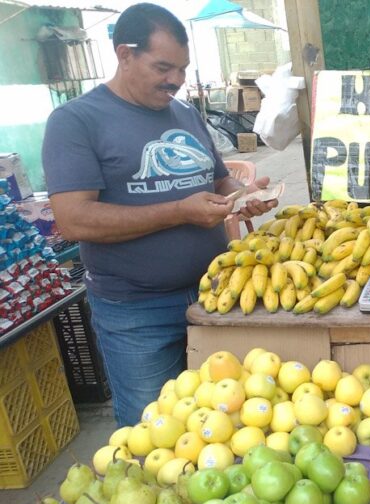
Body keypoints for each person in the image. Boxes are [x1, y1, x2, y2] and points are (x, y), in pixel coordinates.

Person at [42, 3, 277, 426]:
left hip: (215, 294)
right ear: (124, 54)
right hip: (136, 312)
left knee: (226, 424)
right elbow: (74, 219)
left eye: (183, 69)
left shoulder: (185, 113)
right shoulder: (75, 121)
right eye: (164, 67)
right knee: (153, 431)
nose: (176, 81)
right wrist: (178, 212)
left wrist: (243, 196)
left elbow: (218, 181)